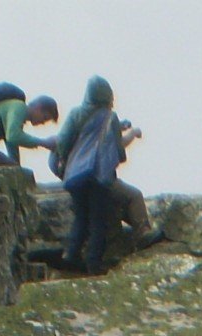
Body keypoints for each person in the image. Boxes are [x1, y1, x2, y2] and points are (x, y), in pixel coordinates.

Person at [52, 77, 151, 256]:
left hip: (75, 177)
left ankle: (70, 255)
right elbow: (117, 150)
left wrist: (63, 162)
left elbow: (63, 141)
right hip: (98, 176)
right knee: (100, 220)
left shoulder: (75, 114)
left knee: (81, 217)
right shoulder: (110, 117)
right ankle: (96, 262)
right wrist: (133, 133)